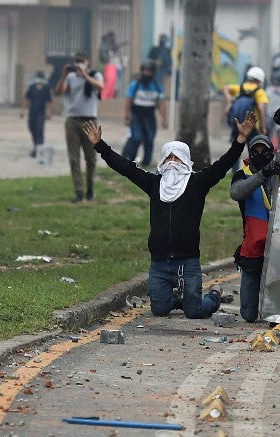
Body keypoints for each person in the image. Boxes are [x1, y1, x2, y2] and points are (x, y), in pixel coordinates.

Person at [83, 111, 258, 318]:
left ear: (186, 161)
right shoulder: (154, 184)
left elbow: (222, 165)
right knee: (159, 309)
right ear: (162, 162)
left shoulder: (197, 183)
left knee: (194, 312)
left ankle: (213, 297)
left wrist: (240, 140)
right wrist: (100, 146)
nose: (173, 162)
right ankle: (177, 300)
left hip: (188, 261)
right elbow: (126, 168)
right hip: (160, 262)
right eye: (169, 157)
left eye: (178, 158)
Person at [230, 133, 280, 323]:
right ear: (250, 153)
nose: (260, 154)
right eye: (256, 150)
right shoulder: (242, 174)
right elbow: (236, 193)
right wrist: (263, 174)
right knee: (248, 315)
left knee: (277, 314)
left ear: (272, 152)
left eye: (265, 150)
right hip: (254, 245)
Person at [54, 51, 104, 202]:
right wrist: (63, 75)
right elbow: (58, 91)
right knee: (74, 158)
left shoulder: (95, 75)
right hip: (73, 121)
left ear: (88, 61)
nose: (79, 63)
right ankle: (79, 192)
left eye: (82, 61)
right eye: (77, 61)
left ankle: (90, 188)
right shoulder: (70, 77)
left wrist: (86, 76)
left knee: (91, 159)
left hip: (90, 121)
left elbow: (101, 87)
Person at [121, 60, 167, 166]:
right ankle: (130, 162)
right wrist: (127, 117)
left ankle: (146, 162)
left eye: (149, 71)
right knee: (136, 138)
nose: (147, 73)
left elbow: (161, 103)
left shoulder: (157, 86)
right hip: (136, 116)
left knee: (149, 140)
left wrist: (164, 118)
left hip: (150, 117)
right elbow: (128, 101)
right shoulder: (135, 85)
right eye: (145, 71)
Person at [223, 66, 268, 142]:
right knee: (254, 150)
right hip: (252, 126)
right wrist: (263, 127)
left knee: (235, 150)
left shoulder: (240, 88)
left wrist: (229, 102)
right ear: (260, 80)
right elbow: (261, 110)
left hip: (238, 125)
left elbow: (226, 88)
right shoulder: (260, 92)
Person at [21, 70, 53, 158]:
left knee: (39, 131)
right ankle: (36, 147)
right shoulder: (31, 87)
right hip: (32, 113)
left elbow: (49, 101)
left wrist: (50, 112)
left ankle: (39, 151)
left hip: (41, 113)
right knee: (32, 129)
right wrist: (23, 111)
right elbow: (28, 99)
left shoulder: (46, 87)